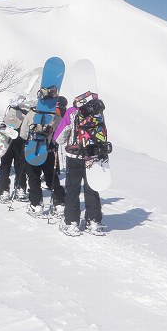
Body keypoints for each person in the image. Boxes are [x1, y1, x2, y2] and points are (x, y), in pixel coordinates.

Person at [55, 93, 104, 235]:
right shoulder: (98, 111)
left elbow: (59, 137)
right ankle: (94, 222)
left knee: (72, 189)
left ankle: (71, 222)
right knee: (92, 188)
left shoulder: (72, 112)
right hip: (93, 156)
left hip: (74, 156)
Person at [21, 96, 68, 216]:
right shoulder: (55, 115)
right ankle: (60, 203)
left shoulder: (31, 113)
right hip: (48, 149)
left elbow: (23, 133)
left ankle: (36, 205)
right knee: (51, 176)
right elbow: (59, 134)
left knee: (33, 177)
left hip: (32, 148)